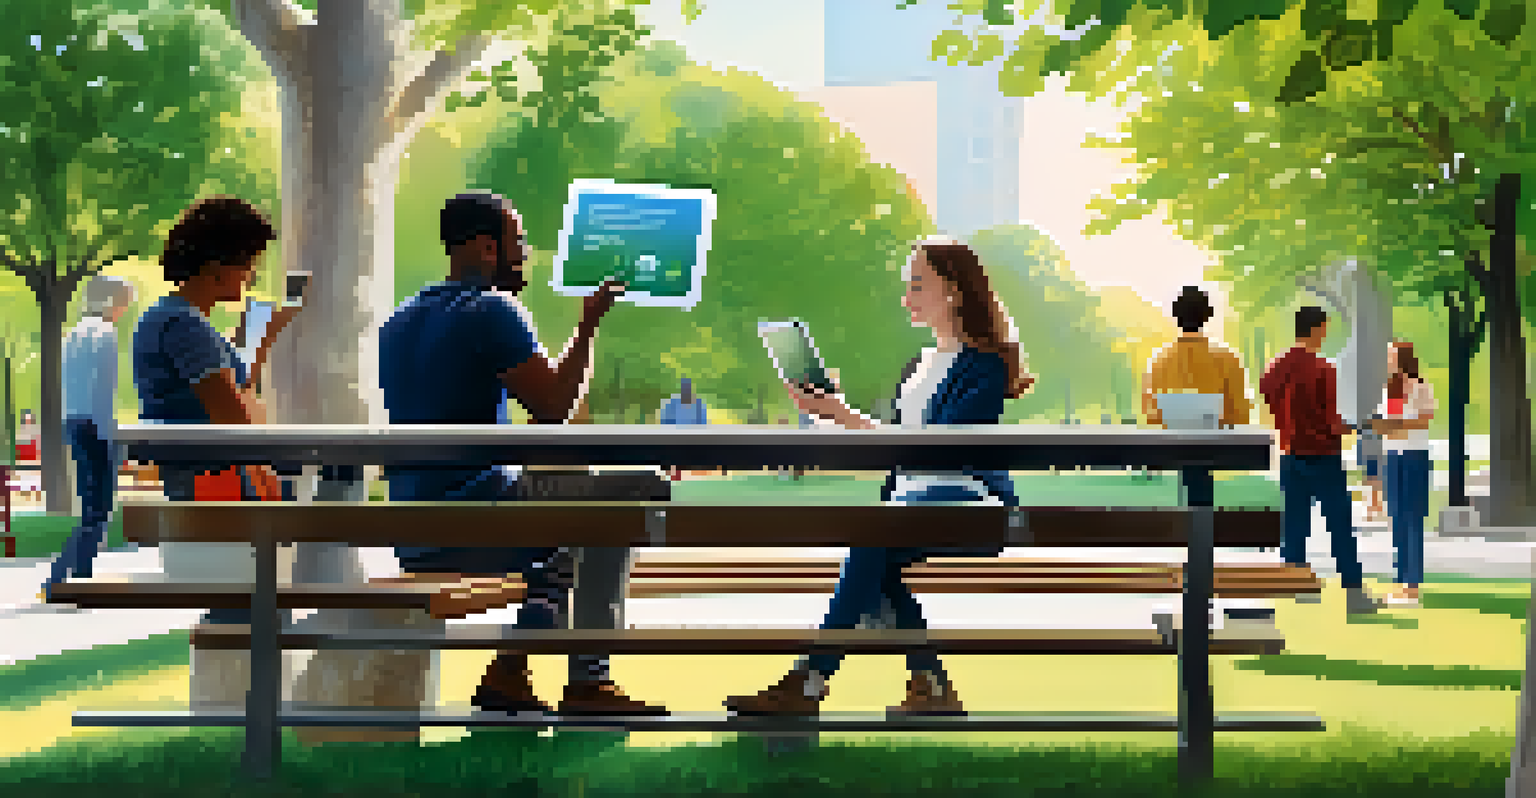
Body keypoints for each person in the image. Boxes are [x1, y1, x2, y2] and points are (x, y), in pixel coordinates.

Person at [379, 191, 662, 716]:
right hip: (480, 519)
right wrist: (588, 324)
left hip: (415, 531)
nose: (526, 253)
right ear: (488, 248)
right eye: (519, 241)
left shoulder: (402, 318)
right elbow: (553, 408)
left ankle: (511, 669)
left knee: (570, 531)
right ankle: (589, 683)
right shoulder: (492, 308)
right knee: (639, 488)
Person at [725, 238, 1034, 717]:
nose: (906, 297)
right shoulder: (919, 365)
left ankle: (810, 683)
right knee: (877, 558)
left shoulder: (984, 364)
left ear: (953, 291)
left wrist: (844, 415)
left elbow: (938, 446)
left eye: (917, 284)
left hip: (967, 502)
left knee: (872, 544)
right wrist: (828, 412)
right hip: (908, 505)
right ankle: (929, 685)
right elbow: (895, 444)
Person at [131, 196, 298, 706]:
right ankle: (247, 721)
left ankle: (235, 721)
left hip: (205, 489)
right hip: (217, 493)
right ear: (217, 264)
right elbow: (240, 422)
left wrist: (254, 351)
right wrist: (252, 354)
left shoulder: (172, 321)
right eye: (248, 261)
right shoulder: (184, 327)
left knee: (252, 606)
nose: (250, 275)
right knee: (257, 604)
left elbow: (238, 410)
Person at [1258, 306, 1382, 614]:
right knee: (1339, 526)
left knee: (1296, 525)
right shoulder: (1323, 369)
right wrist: (1359, 425)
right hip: (1324, 455)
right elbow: (1329, 422)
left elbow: (1270, 399)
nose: (1326, 333)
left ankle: (1295, 588)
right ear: (1317, 329)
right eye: (1325, 327)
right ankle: (1354, 594)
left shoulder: (1276, 368)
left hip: (1290, 453)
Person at [41, 276, 138, 602]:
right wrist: (111, 438)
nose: (126, 308)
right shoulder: (105, 335)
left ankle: (80, 577)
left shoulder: (74, 334)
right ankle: (60, 577)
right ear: (111, 301)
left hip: (74, 423)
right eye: (125, 301)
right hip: (95, 427)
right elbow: (102, 392)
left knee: (90, 506)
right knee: (98, 511)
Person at [1141, 285, 1252, 506]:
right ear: (1207, 316)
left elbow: (1151, 414)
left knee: (1192, 489)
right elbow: (1240, 415)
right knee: (1199, 492)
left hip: (1174, 446)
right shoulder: (1227, 359)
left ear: (1176, 316)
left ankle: (1195, 530)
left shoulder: (1159, 361)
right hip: (1214, 446)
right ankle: (1200, 532)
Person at [1371, 340, 1435, 607]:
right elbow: (1388, 426)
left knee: (1412, 519)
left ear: (1404, 358)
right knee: (1396, 517)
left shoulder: (1420, 387)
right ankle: (1401, 581)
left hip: (1413, 457)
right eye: (1388, 356)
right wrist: (1382, 426)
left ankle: (1412, 585)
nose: (1389, 360)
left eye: (1393, 356)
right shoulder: (1389, 390)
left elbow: (1424, 419)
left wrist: (1393, 425)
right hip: (1393, 458)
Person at [659, 376, 708, 480]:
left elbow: (702, 422)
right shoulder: (673, 403)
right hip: (675, 437)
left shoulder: (698, 403)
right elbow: (665, 420)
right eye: (684, 389)